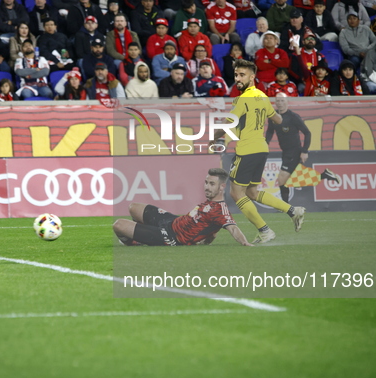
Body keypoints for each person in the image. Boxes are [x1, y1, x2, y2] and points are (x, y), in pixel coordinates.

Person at [212, 58, 305, 243]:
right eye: (236, 75)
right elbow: (277, 119)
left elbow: (230, 123)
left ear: (252, 77)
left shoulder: (243, 99)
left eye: (242, 75)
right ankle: (293, 210)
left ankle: (265, 231)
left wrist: (213, 137)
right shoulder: (261, 96)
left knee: (236, 193)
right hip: (261, 149)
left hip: (247, 150)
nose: (238, 78)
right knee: (252, 193)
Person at [113, 168, 253, 247]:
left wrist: (245, 243)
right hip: (172, 221)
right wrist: (207, 240)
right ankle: (141, 233)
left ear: (222, 187)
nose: (206, 187)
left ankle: (132, 242)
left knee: (118, 225)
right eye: (206, 182)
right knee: (133, 207)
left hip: (171, 237)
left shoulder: (220, 210)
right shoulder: (209, 204)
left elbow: (232, 227)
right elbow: (212, 230)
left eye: (211, 184)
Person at [266, 93, 310, 203]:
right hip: (285, 152)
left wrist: (304, 151)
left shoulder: (293, 117)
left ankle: (286, 207)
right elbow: (270, 130)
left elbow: (307, 133)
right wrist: (265, 143)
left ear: (287, 102)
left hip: (294, 151)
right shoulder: (273, 116)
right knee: (284, 180)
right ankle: (287, 206)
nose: (280, 103)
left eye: (282, 100)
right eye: (278, 101)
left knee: (281, 179)